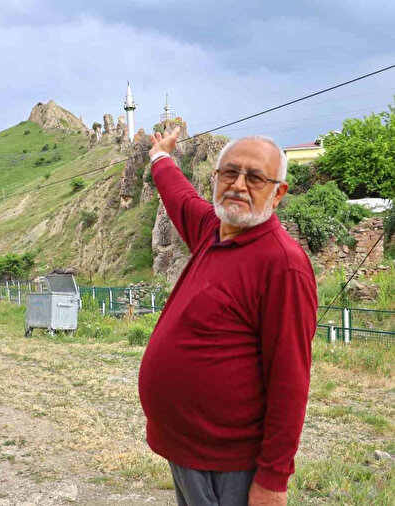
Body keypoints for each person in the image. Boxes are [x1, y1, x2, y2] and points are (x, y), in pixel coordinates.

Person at [138, 126, 318, 506]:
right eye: (229, 173)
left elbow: (290, 379)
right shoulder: (211, 229)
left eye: (255, 177)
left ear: (278, 192)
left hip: (230, 463)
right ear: (216, 179)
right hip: (187, 450)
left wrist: (272, 480)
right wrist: (160, 157)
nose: (238, 184)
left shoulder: (282, 264)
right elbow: (179, 196)